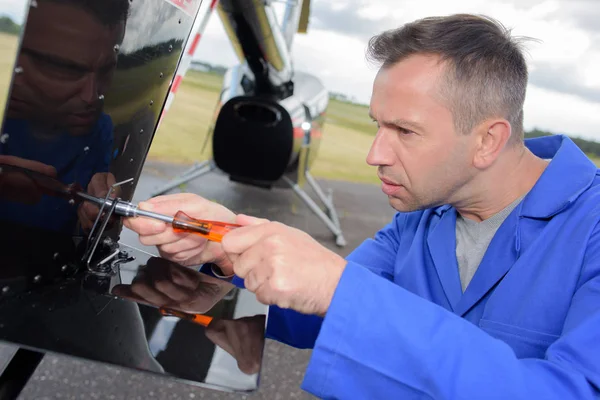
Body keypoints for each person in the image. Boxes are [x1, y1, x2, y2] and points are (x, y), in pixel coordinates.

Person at [124, 14, 600, 399]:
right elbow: (328, 305)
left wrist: (339, 289)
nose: (375, 155)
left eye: (405, 131)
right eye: (377, 126)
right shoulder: (420, 218)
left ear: (487, 141)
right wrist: (227, 247)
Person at [0, 0, 130, 234]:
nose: (92, 97)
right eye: (64, 68)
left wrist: (95, 210)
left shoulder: (100, 129)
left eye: (107, 70)